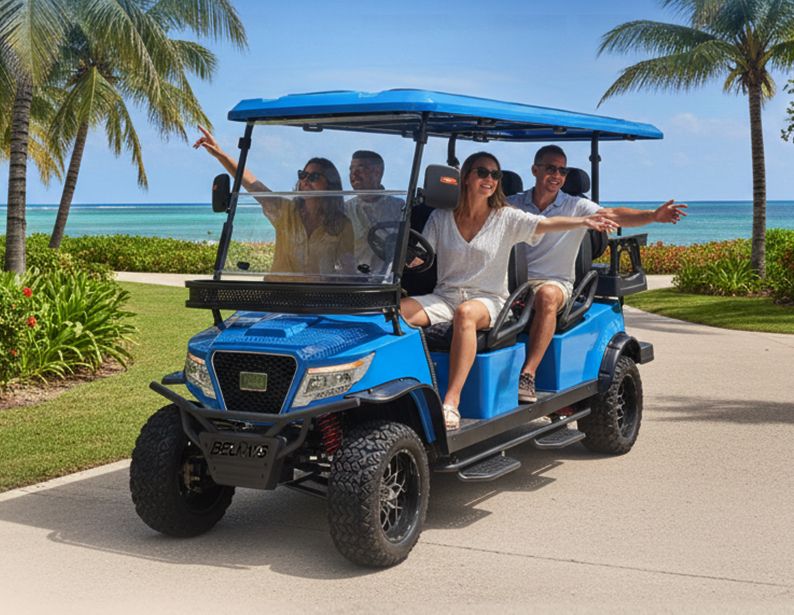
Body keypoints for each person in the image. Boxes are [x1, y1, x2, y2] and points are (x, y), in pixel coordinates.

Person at [400, 152, 618, 430]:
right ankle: (409, 388)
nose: (489, 179)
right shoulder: (441, 217)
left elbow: (546, 224)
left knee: (466, 315)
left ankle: (450, 403)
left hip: (489, 299)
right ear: (465, 176)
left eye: (496, 175)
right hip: (445, 296)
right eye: (482, 172)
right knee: (396, 313)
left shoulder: (507, 217)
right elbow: (422, 256)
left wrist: (583, 222)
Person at [507, 144, 687, 403]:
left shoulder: (576, 206)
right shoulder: (513, 203)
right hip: (511, 281)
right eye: (550, 168)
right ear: (535, 170)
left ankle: (528, 374)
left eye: (562, 170)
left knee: (546, 296)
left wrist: (653, 215)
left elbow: (613, 215)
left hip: (553, 282)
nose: (556, 175)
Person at [193, 125, 354, 275]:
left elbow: (348, 268)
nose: (305, 181)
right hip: (279, 294)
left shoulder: (341, 224)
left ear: (330, 185)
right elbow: (252, 183)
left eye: (313, 177)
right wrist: (220, 154)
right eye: (302, 175)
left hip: (319, 299)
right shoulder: (285, 211)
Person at [344, 150, 405, 274]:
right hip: (355, 280)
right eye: (351, 169)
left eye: (360, 168)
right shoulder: (345, 210)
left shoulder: (400, 207)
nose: (353, 174)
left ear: (377, 172)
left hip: (389, 280)